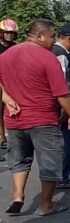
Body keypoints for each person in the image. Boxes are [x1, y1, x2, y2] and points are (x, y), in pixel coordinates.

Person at [1, 19, 70, 216]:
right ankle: (47, 205)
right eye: (52, 36)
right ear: (39, 36)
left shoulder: (6, 55)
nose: (54, 40)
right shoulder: (47, 57)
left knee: (19, 160)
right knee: (50, 163)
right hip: (42, 119)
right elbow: (61, 93)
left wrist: (7, 98)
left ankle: (18, 196)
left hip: (14, 119)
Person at [52, 23, 70, 189]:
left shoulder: (48, 51)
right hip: (60, 107)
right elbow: (61, 84)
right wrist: (67, 109)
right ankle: (62, 177)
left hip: (49, 106)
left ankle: (54, 176)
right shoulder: (61, 54)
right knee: (65, 143)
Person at [0, 19, 19, 150]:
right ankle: (2, 138)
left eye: (12, 33)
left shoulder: (16, 47)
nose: (10, 35)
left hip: (11, 81)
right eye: (7, 33)